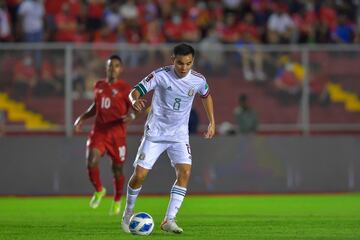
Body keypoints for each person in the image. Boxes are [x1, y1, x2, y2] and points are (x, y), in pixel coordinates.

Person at [121, 43, 216, 234]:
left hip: (179, 135)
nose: (184, 68)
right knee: (139, 176)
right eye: (180, 63)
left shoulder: (198, 80)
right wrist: (134, 101)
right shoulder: (160, 75)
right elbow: (135, 90)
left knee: (185, 173)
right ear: (173, 60)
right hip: (155, 133)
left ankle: (169, 220)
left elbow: (206, 96)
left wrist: (212, 122)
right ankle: (128, 212)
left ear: (193, 61)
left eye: (188, 63)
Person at [74, 55, 136, 215]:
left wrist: (133, 116)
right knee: (91, 161)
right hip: (99, 132)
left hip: (117, 134)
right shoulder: (99, 85)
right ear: (106, 68)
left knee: (117, 169)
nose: (113, 68)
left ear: (120, 69)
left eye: (116, 66)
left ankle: (117, 200)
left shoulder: (125, 88)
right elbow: (96, 106)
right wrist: (82, 117)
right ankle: (99, 190)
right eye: (110, 65)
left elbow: (136, 107)